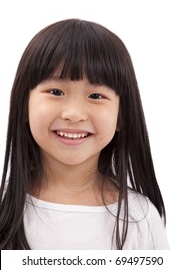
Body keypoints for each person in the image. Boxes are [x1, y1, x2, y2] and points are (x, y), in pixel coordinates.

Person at [0, 19, 169, 250]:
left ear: (121, 116)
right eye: (56, 91)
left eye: (96, 96)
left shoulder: (140, 219)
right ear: (24, 104)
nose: (74, 114)